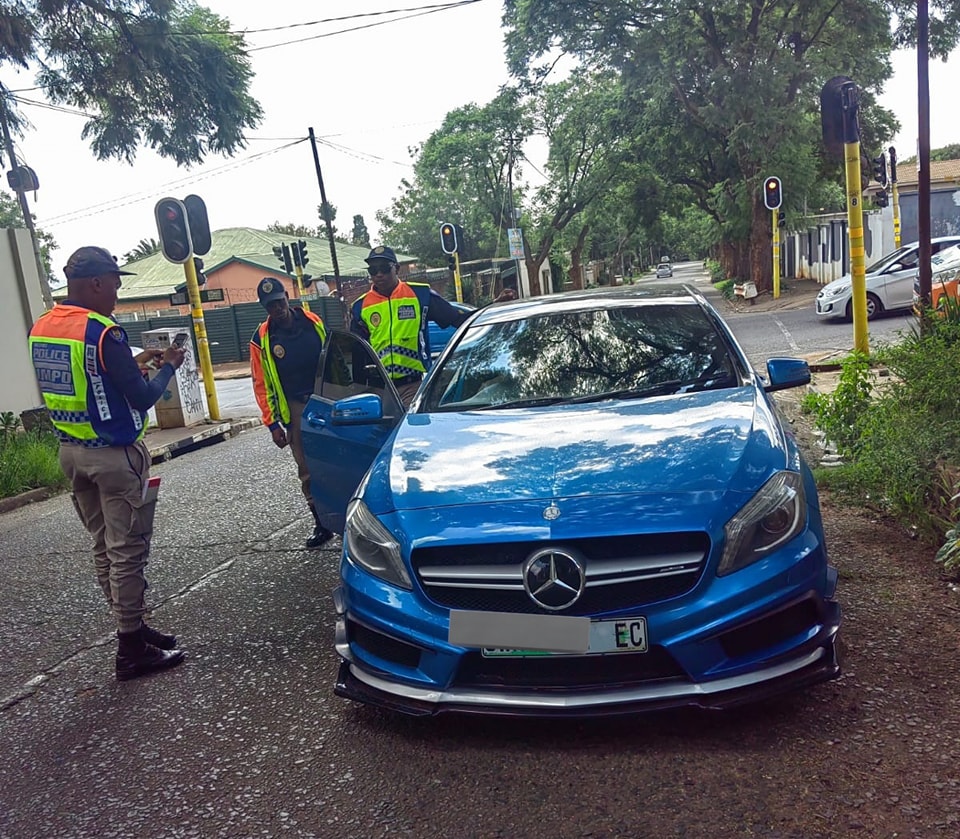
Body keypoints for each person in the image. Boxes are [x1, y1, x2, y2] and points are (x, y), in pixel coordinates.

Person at [28, 246, 187, 681]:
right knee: (128, 551)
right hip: (114, 456)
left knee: (104, 546)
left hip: (72, 454)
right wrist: (168, 366)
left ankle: (131, 627)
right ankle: (131, 647)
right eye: (115, 283)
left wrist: (134, 364)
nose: (117, 292)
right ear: (96, 282)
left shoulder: (44, 327)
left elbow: (88, 378)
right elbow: (140, 397)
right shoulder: (103, 331)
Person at [351, 246, 515, 406]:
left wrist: (493, 305)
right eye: (373, 270)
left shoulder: (420, 295)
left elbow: (458, 320)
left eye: (384, 268)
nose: (379, 274)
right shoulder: (360, 306)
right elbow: (357, 351)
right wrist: (359, 391)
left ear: (397, 268)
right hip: (380, 389)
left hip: (413, 386)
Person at [249, 277, 334, 549]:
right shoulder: (261, 339)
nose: (277, 307)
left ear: (288, 296)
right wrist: (273, 424)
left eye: (279, 300)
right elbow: (261, 384)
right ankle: (321, 524)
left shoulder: (313, 321)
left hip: (326, 400)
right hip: (295, 408)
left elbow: (334, 357)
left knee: (338, 460)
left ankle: (350, 521)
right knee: (307, 469)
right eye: (270, 304)